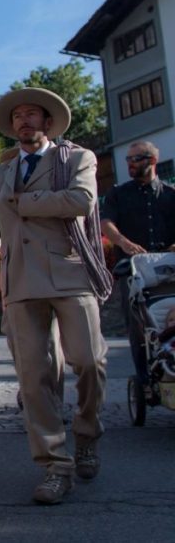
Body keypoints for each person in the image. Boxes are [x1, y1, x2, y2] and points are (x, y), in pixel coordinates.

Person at [0, 87, 111, 506]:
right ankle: (54, 465)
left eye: (32, 115)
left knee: (89, 361)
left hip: (70, 276)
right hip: (20, 285)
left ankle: (86, 432)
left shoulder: (76, 159)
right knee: (34, 378)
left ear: (48, 123)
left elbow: (81, 201)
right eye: (18, 117)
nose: (24, 121)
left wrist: (26, 203)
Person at [100, 140, 175, 397]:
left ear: (152, 161)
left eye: (136, 159)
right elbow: (106, 223)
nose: (130, 163)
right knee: (138, 326)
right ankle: (145, 378)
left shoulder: (170, 194)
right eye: (128, 159)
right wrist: (123, 242)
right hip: (133, 271)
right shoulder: (118, 194)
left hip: (168, 270)